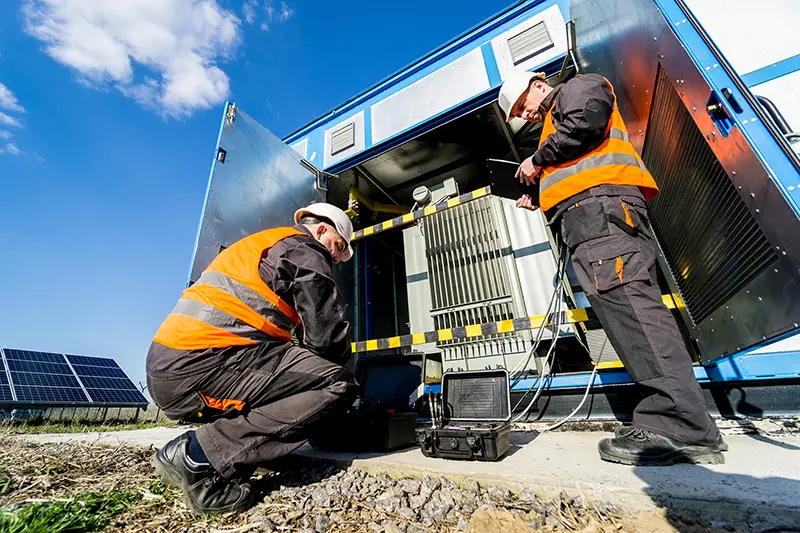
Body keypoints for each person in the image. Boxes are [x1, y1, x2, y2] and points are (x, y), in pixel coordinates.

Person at [498, 71, 727, 466]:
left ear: (537, 84)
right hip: (590, 218)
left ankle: (680, 424)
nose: (526, 115)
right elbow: (576, 154)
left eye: (523, 105)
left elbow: (585, 121)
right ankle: (672, 417)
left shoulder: (579, 87)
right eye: (519, 113)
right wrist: (540, 193)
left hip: (602, 215)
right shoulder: (555, 126)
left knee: (635, 312)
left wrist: (537, 161)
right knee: (626, 315)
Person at [146, 203, 359, 514]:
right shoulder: (306, 248)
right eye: (338, 247)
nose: (337, 258)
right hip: (202, 364)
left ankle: (239, 451)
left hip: (171, 367)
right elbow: (326, 337)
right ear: (322, 229)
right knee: (337, 383)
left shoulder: (267, 245)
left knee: (295, 378)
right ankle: (199, 456)